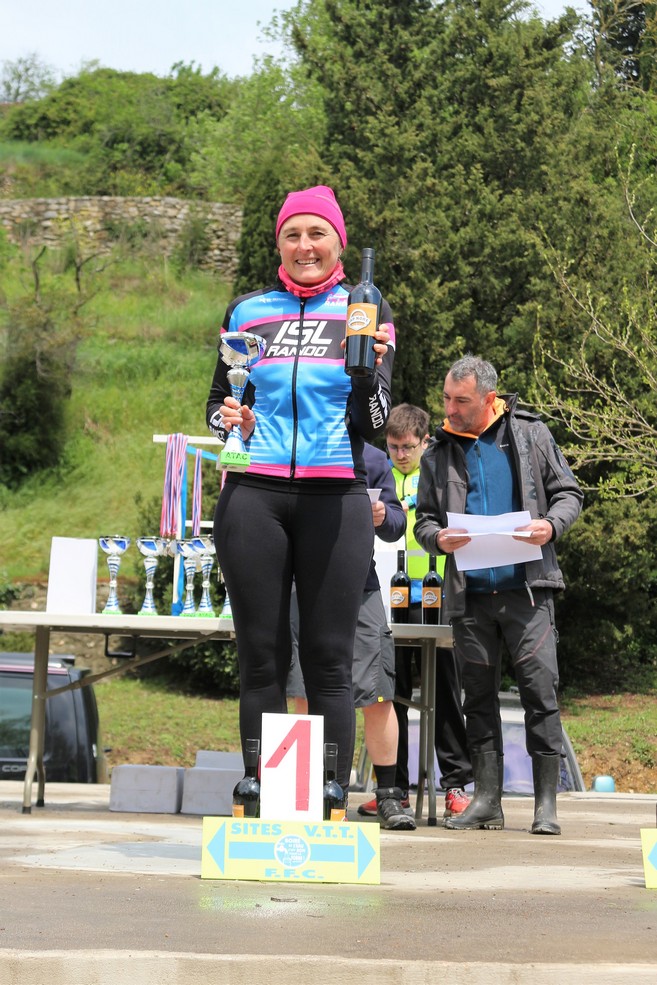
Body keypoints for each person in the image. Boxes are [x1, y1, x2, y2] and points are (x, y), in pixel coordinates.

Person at [206, 185, 395, 794]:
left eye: (317, 233)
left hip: (335, 496)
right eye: (293, 234)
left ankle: (331, 788)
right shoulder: (247, 311)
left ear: (339, 242)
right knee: (259, 654)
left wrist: (366, 373)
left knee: (328, 657)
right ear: (279, 244)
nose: (305, 245)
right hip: (253, 496)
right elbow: (218, 404)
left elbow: (374, 423)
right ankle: (258, 782)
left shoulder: (364, 309)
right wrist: (229, 421)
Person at [414, 355, 583, 835]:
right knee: (477, 699)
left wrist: (550, 526)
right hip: (469, 596)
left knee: (540, 693)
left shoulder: (531, 433)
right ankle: (487, 800)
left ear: (490, 399)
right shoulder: (436, 451)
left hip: (528, 592)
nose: (450, 409)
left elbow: (569, 493)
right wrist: (437, 539)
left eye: (461, 401)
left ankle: (545, 805)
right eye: (446, 398)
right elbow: (424, 520)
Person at [287, 441, 416, 830]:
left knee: (377, 693)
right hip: (301, 585)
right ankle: (310, 793)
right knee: (304, 692)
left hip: (361, 587)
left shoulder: (373, 457)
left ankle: (389, 795)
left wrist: (383, 515)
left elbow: (397, 523)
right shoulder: (296, 445)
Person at [358, 403, 473, 821]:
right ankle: (395, 789)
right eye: (394, 447)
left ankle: (456, 786)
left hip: (436, 598)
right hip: (391, 600)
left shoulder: (439, 473)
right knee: (393, 695)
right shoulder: (380, 474)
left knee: (445, 694)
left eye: (408, 446)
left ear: (425, 441)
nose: (401, 454)